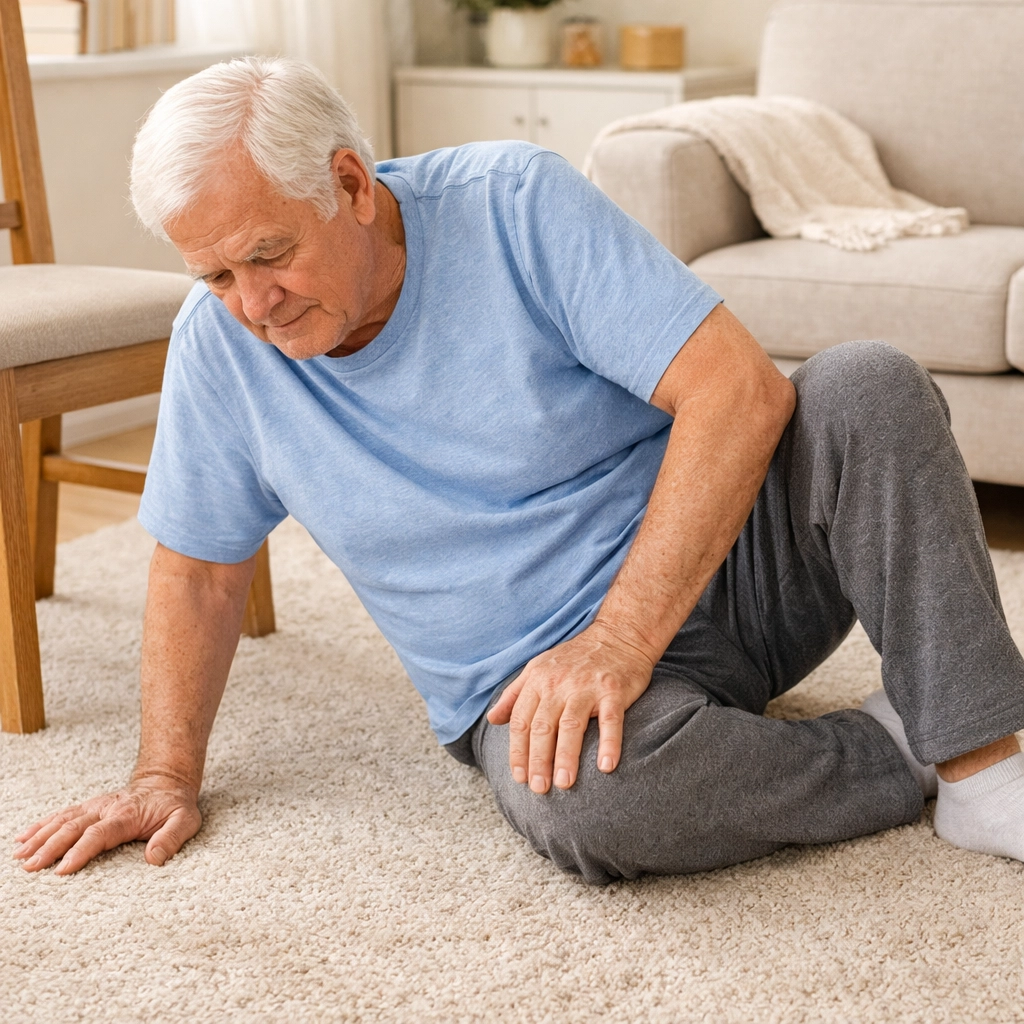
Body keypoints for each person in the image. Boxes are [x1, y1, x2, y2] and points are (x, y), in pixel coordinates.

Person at [13, 57, 1024, 884]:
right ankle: (903, 741)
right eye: (215, 275)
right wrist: (163, 771)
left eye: (266, 255)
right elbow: (198, 567)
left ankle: (981, 759)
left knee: (869, 383)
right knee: (591, 802)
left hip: (727, 569)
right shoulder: (219, 345)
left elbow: (739, 392)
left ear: (352, 185)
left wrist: (621, 637)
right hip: (532, 685)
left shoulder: (511, 202)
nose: (252, 305)